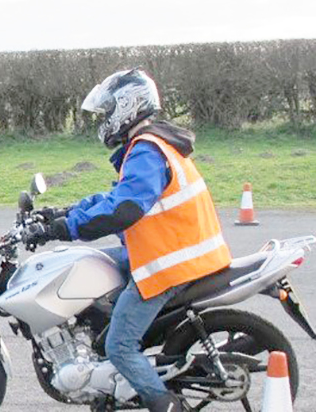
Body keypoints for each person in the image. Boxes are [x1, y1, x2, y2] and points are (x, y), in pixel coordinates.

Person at [24, 69, 232, 412]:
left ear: (128, 106)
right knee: (94, 266)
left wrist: (65, 228)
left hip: (172, 261)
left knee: (119, 345)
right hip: (168, 250)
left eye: (107, 112)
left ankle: (164, 404)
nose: (103, 120)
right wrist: (60, 213)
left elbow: (123, 210)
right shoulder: (149, 144)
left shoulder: (147, 150)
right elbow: (115, 197)